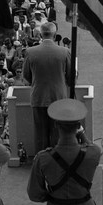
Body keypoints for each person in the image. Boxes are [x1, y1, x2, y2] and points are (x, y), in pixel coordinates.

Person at [22, 21, 71, 155]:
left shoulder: (30, 52)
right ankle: (56, 162)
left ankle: (41, 163)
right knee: (57, 133)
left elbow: (26, 75)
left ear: (41, 35)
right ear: (55, 35)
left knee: (40, 134)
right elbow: (71, 77)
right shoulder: (65, 51)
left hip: (38, 97)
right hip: (58, 97)